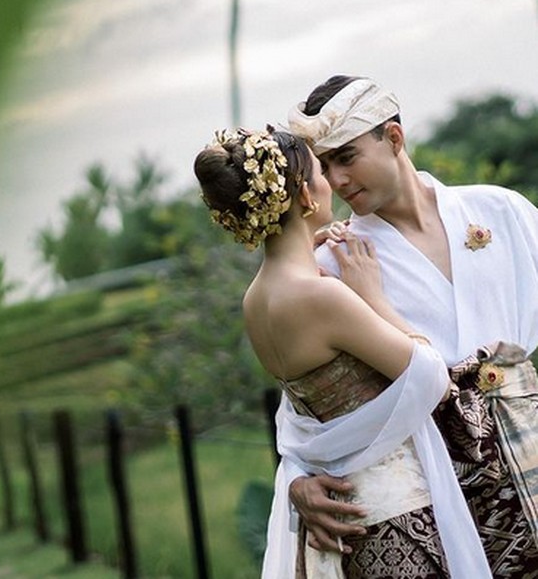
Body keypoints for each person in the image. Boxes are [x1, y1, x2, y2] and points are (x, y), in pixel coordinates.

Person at [194, 126, 491, 578]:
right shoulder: (321, 296)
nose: (332, 181)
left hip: (340, 523)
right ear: (305, 195)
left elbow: (307, 416)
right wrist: (373, 298)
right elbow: (430, 378)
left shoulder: (255, 301)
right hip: (397, 516)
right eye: (320, 171)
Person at [281, 74, 538, 576]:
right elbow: (310, 403)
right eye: (325, 166)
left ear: (394, 138)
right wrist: (296, 479)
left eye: (347, 157)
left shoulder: (500, 210)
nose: (336, 180)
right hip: (442, 491)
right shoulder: (334, 262)